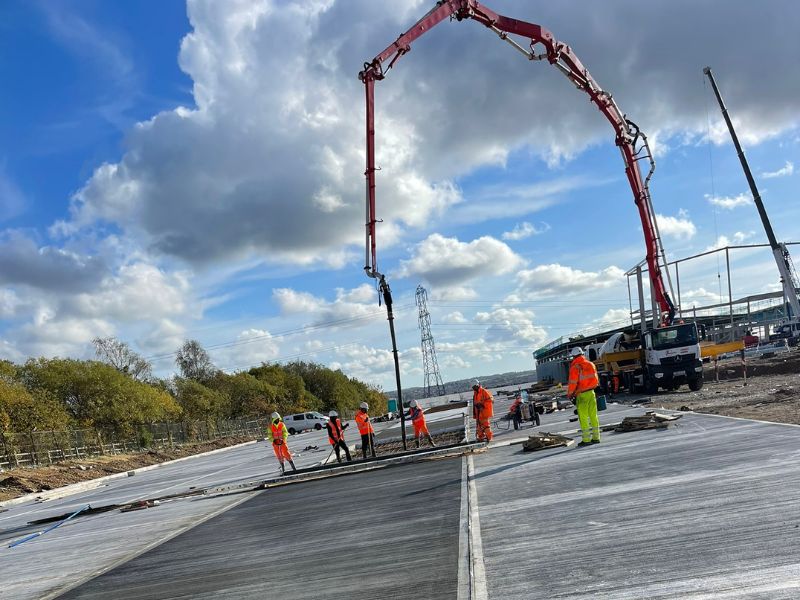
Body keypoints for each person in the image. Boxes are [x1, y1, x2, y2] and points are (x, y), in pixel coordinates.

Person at [567, 347, 600, 447]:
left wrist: (570, 394)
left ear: (573, 356)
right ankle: (596, 438)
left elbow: (573, 383)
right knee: (593, 416)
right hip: (592, 393)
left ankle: (586, 440)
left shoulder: (575, 367)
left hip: (582, 395)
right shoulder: (591, 364)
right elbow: (596, 379)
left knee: (583, 417)